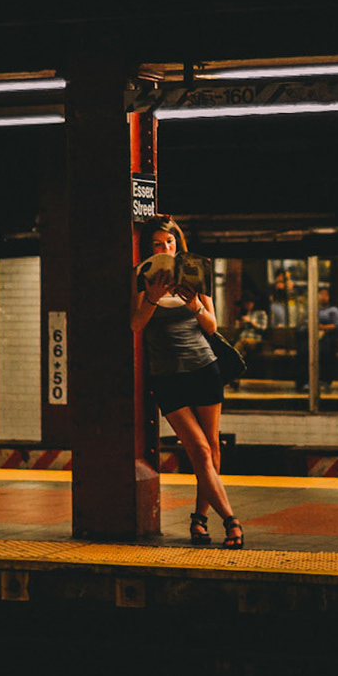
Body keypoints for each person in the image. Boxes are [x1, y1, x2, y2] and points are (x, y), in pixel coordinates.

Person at [131, 215, 243, 548]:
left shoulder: (195, 273)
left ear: (177, 245)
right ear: (148, 248)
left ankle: (199, 519)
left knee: (212, 450)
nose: (164, 248)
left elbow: (211, 326)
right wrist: (152, 296)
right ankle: (231, 520)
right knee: (198, 449)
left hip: (204, 369)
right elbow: (136, 324)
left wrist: (194, 304)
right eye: (157, 244)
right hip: (167, 377)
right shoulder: (140, 277)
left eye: (169, 243)